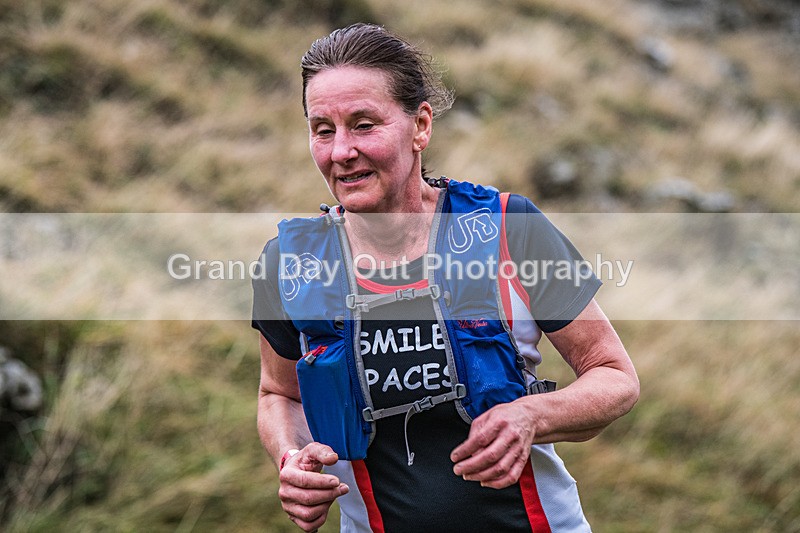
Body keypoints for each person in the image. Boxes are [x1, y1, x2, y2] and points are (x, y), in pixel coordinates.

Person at [252, 23, 639, 533]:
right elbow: (278, 395)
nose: (340, 151)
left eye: (364, 124)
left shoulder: (506, 228)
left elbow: (615, 377)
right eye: (323, 129)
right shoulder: (290, 262)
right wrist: (291, 458)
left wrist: (531, 416)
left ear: (420, 126)